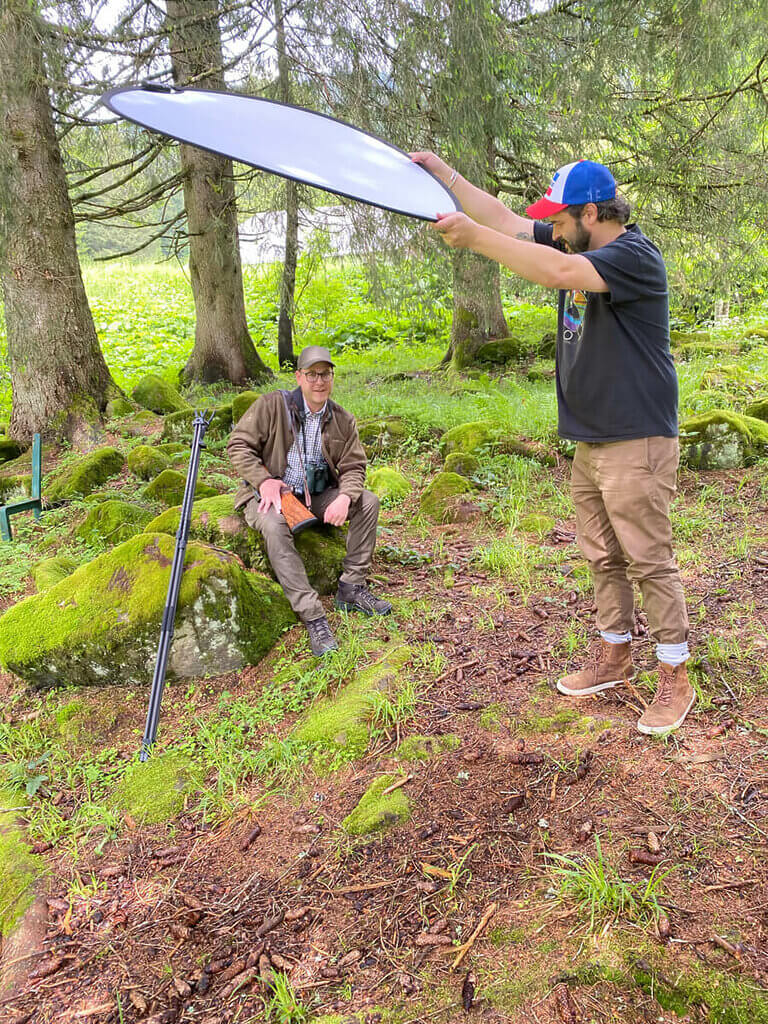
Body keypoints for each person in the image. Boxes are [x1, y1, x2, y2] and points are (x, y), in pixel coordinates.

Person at [411, 152, 693, 735]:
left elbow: (555, 273)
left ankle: (674, 673)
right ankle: (615, 654)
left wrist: (473, 243)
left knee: (648, 559)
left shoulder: (632, 257)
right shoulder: (577, 242)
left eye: (561, 222)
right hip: (591, 441)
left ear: (592, 213)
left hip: (635, 438)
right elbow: (509, 223)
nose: (555, 233)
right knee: (602, 554)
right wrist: (448, 176)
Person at [227, 345, 391, 656]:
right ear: (299, 377)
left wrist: (345, 496)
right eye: (312, 374)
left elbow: (354, 466)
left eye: (325, 374)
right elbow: (238, 444)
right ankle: (312, 614)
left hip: (315, 494)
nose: (319, 381)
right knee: (274, 525)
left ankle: (351, 588)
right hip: (273, 494)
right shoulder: (272, 405)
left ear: (332, 377)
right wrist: (265, 482)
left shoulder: (342, 418)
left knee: (367, 501)